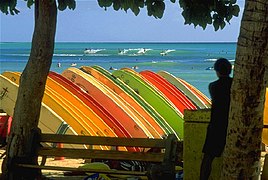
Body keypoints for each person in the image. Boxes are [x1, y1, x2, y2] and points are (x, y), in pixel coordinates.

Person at [200, 58, 233, 180]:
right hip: (231, 123)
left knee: (208, 158)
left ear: (217, 71)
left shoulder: (213, 86)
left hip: (216, 124)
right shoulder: (234, 85)